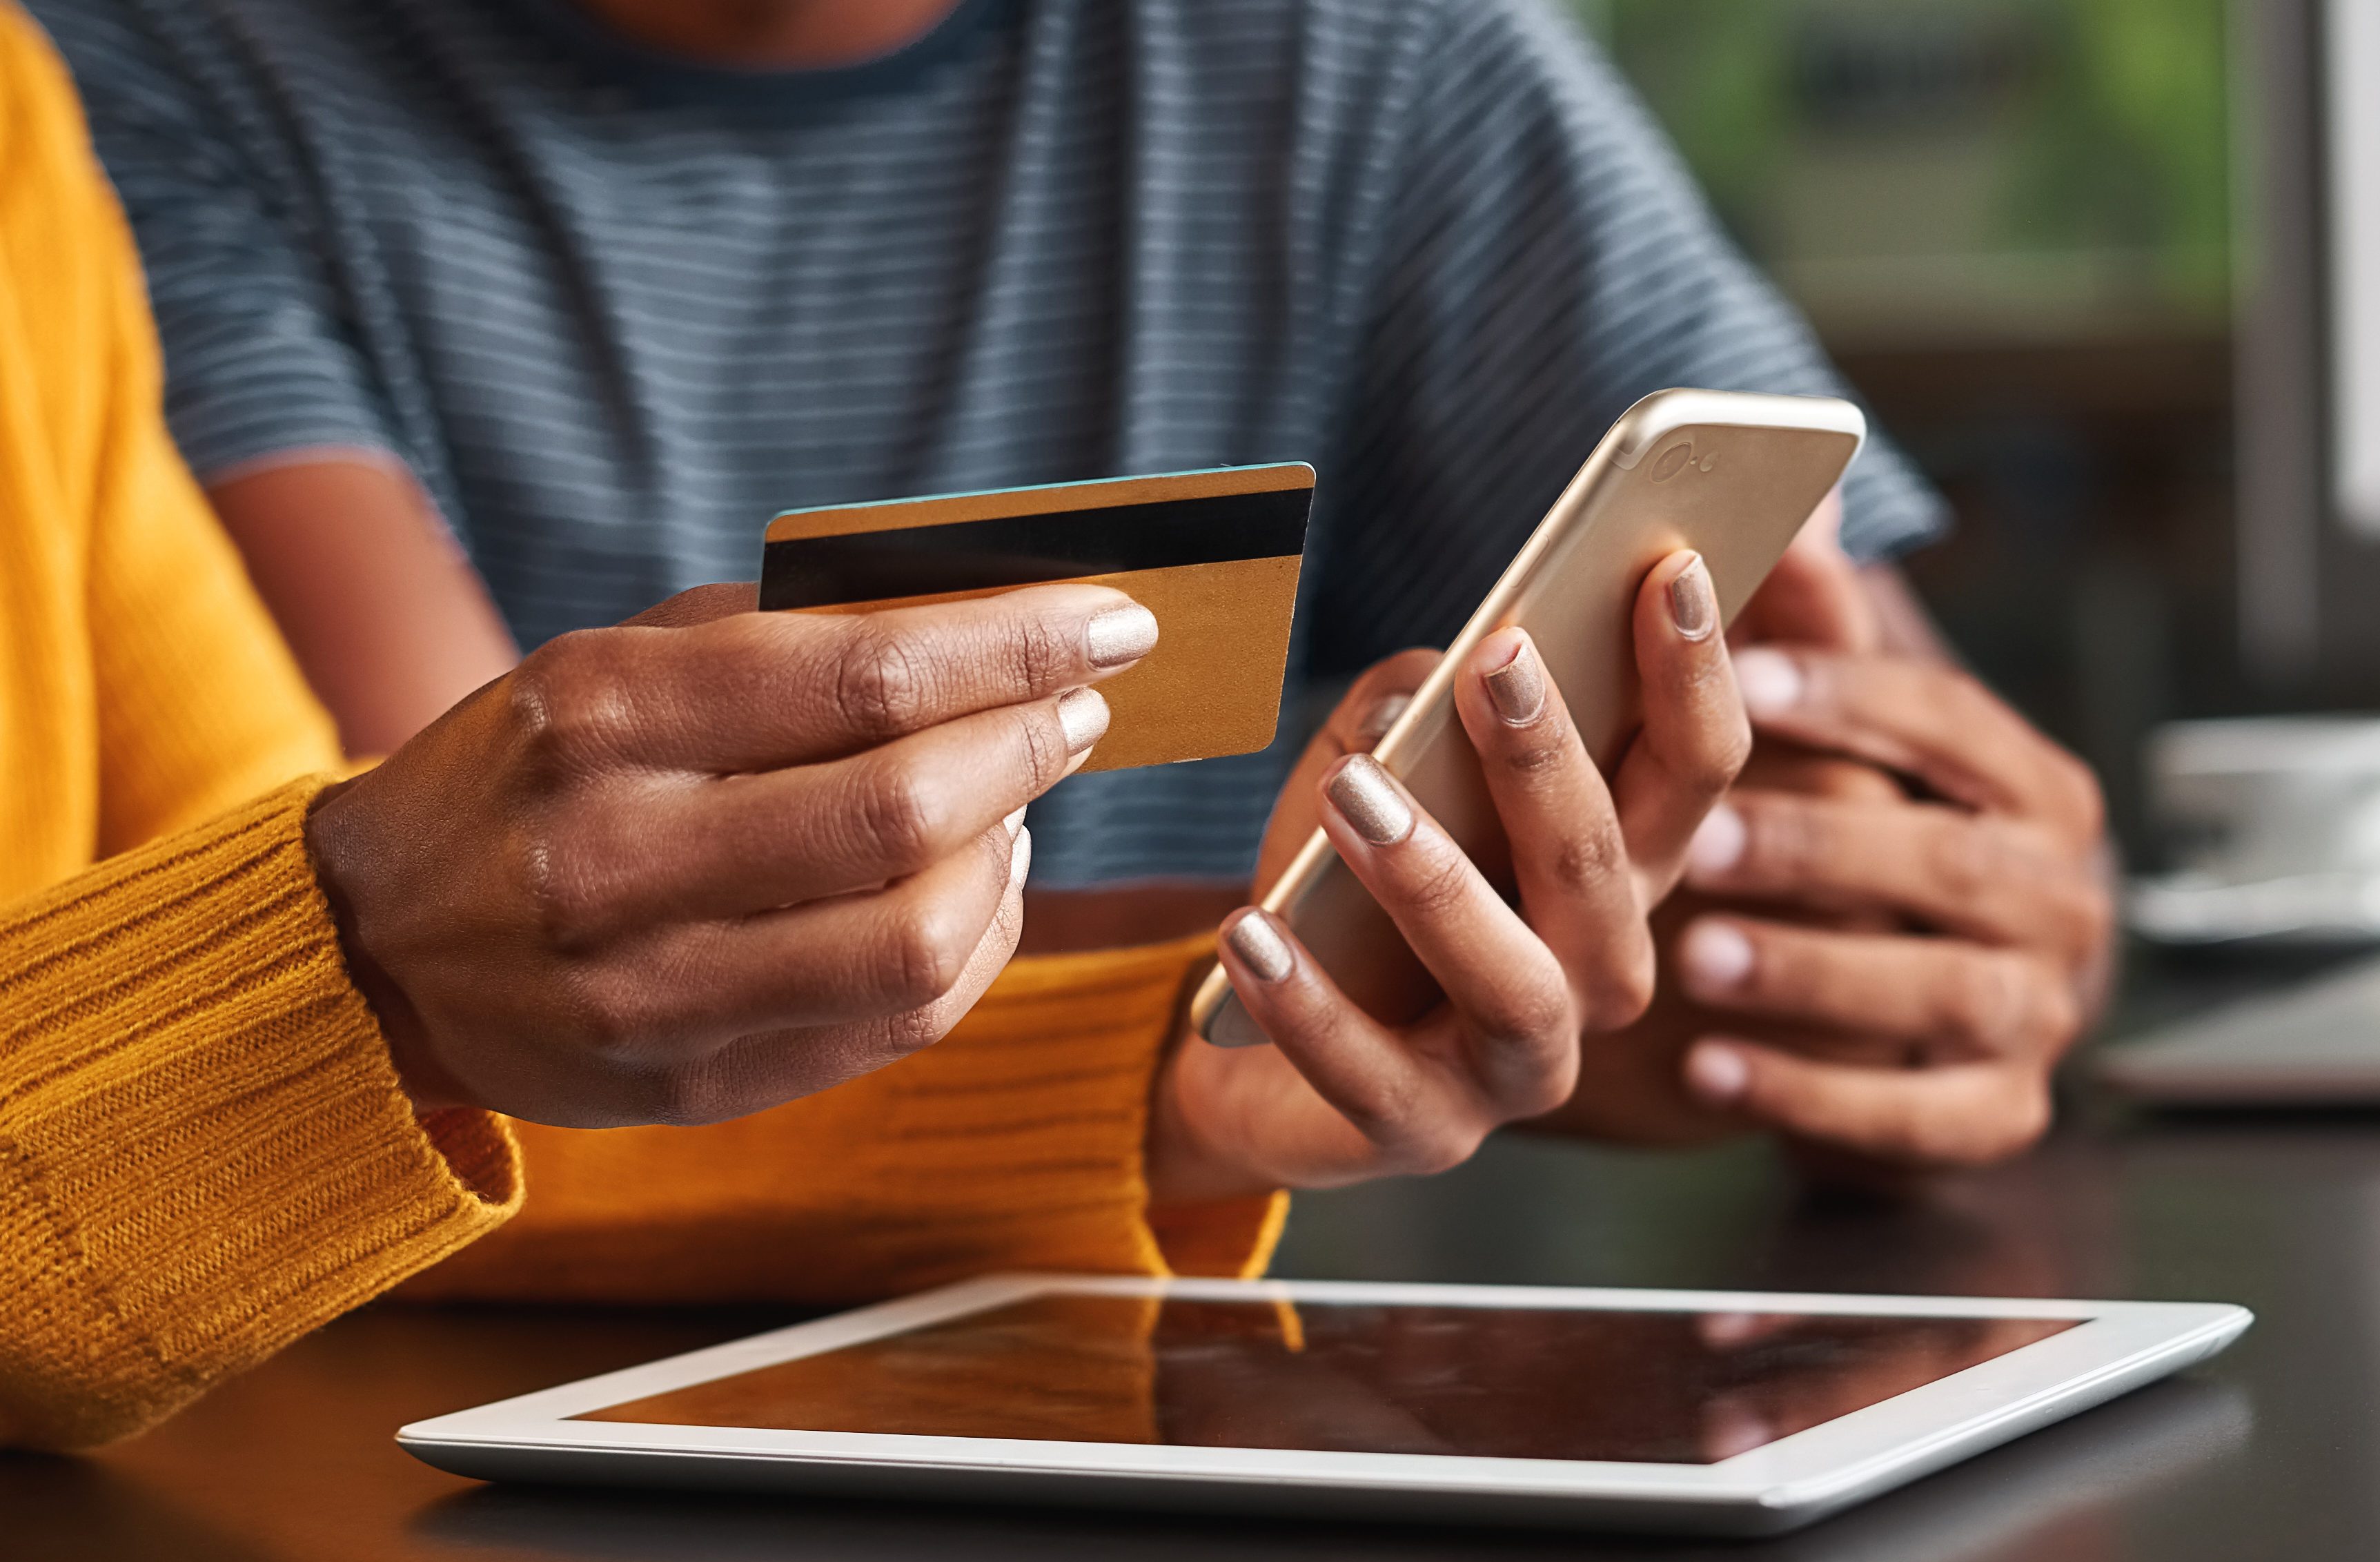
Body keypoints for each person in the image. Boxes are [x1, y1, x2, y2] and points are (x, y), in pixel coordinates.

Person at [0, 3, 1755, 1448]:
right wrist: (374, 973)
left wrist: (1180, 1079)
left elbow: (316, 1104)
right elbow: (319, 1021)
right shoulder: (156, 72)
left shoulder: (23, 137)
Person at [35, 0, 2115, 1169]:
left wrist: (1915, 935)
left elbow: (1871, 785)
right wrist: (1287, 992)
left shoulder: (1368, 63)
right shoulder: (133, 90)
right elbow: (509, 992)